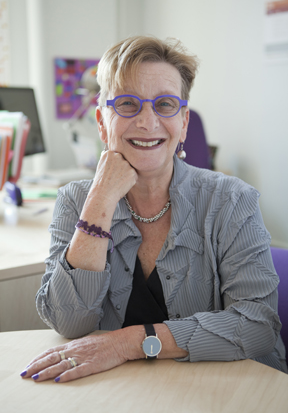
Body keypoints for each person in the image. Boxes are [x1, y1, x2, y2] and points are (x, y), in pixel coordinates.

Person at [20, 35, 287, 383]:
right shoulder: (75, 201)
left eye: (164, 105)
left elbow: (257, 326)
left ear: (184, 122)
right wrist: (100, 197)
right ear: (102, 121)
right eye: (128, 104)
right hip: (131, 395)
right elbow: (70, 322)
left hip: (233, 391)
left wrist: (128, 342)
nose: (147, 122)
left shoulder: (231, 200)